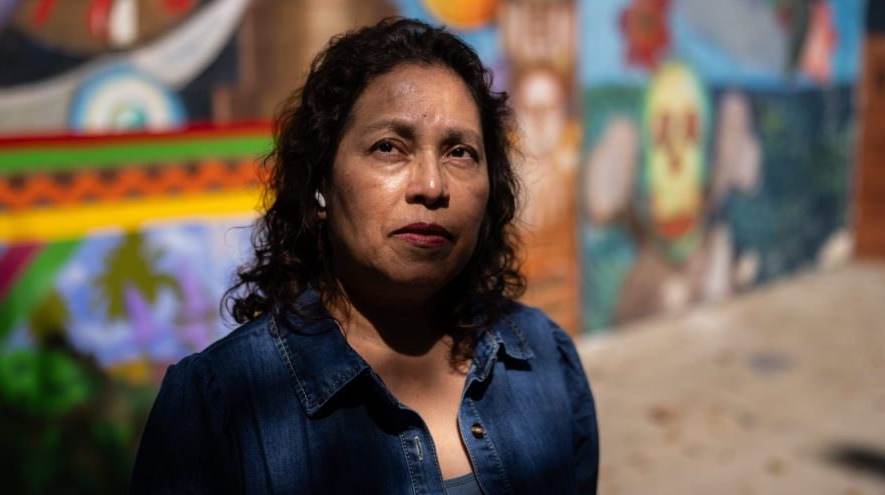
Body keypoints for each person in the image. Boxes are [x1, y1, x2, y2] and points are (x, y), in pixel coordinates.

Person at [131, 17, 598, 494]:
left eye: (460, 152)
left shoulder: (543, 359)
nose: (432, 186)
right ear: (320, 182)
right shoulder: (220, 403)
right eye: (389, 147)